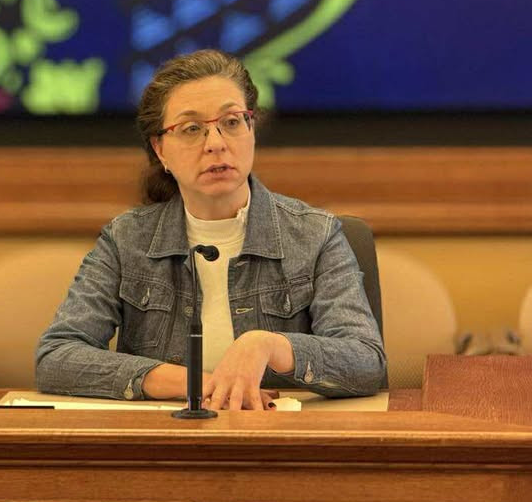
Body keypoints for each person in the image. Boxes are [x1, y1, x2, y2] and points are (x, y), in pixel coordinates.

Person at [36, 49, 385, 409]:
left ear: (251, 130)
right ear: (160, 151)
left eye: (232, 122)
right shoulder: (127, 240)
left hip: (282, 443)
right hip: (162, 446)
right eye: (191, 129)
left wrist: (268, 346)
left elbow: (365, 360)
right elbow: (57, 356)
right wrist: (194, 384)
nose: (216, 143)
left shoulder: (315, 234)